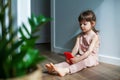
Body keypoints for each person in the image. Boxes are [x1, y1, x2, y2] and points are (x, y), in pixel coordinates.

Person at [45, 10, 100, 77]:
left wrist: (79, 59)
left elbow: (89, 52)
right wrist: (71, 56)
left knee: (82, 62)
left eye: (84, 24)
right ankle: (54, 67)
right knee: (71, 61)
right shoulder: (79, 36)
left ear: (92, 23)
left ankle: (66, 70)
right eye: (80, 24)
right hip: (81, 55)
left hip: (91, 58)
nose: (82, 26)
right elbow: (76, 48)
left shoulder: (94, 36)